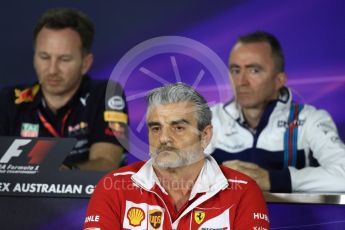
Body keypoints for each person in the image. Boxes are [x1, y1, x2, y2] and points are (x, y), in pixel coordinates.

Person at [84, 83, 269, 229]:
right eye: (155, 128)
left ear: (205, 136)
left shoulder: (244, 192)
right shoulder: (113, 188)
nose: (164, 138)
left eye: (178, 128)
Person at [207, 31, 345, 192]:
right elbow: (176, 176)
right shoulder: (210, 119)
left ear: (279, 80)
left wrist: (273, 180)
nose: (241, 81)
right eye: (236, 70)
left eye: (254, 70)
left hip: (292, 218)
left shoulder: (310, 120)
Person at [0, 8, 128, 171]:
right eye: (44, 57)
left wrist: (63, 175)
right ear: (34, 58)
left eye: (64, 59)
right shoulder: (10, 100)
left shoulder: (106, 94)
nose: (52, 69)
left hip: (90, 197)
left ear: (85, 63)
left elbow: (106, 163)